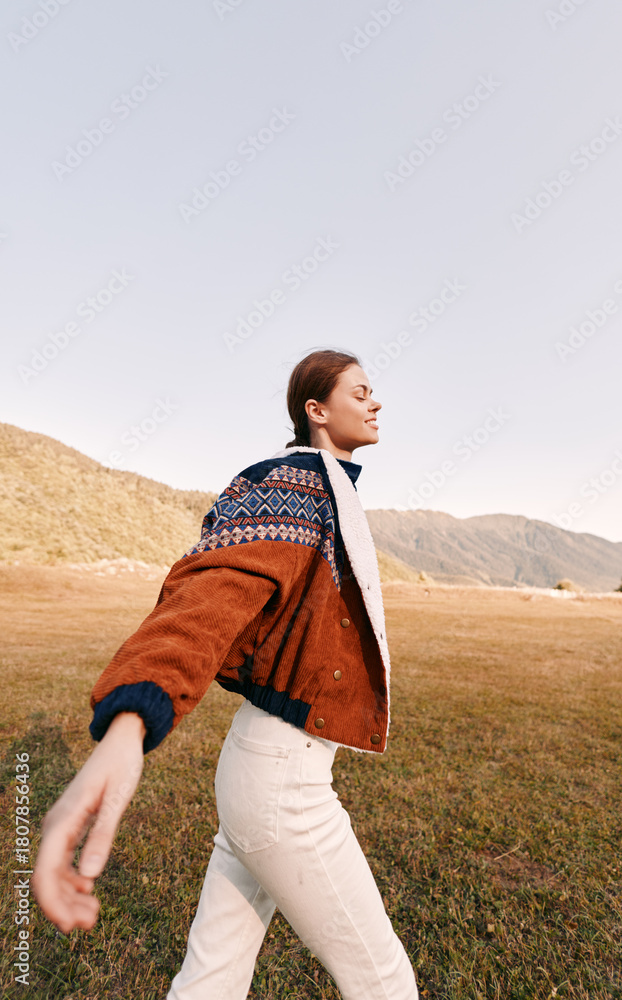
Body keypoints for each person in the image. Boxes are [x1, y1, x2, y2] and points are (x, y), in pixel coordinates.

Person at [32, 348, 419, 999]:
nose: (375, 401)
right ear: (316, 410)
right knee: (382, 981)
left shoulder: (327, 486)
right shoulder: (295, 484)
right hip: (281, 784)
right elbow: (211, 594)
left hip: (261, 766)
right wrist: (131, 721)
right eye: (359, 392)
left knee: (210, 980)